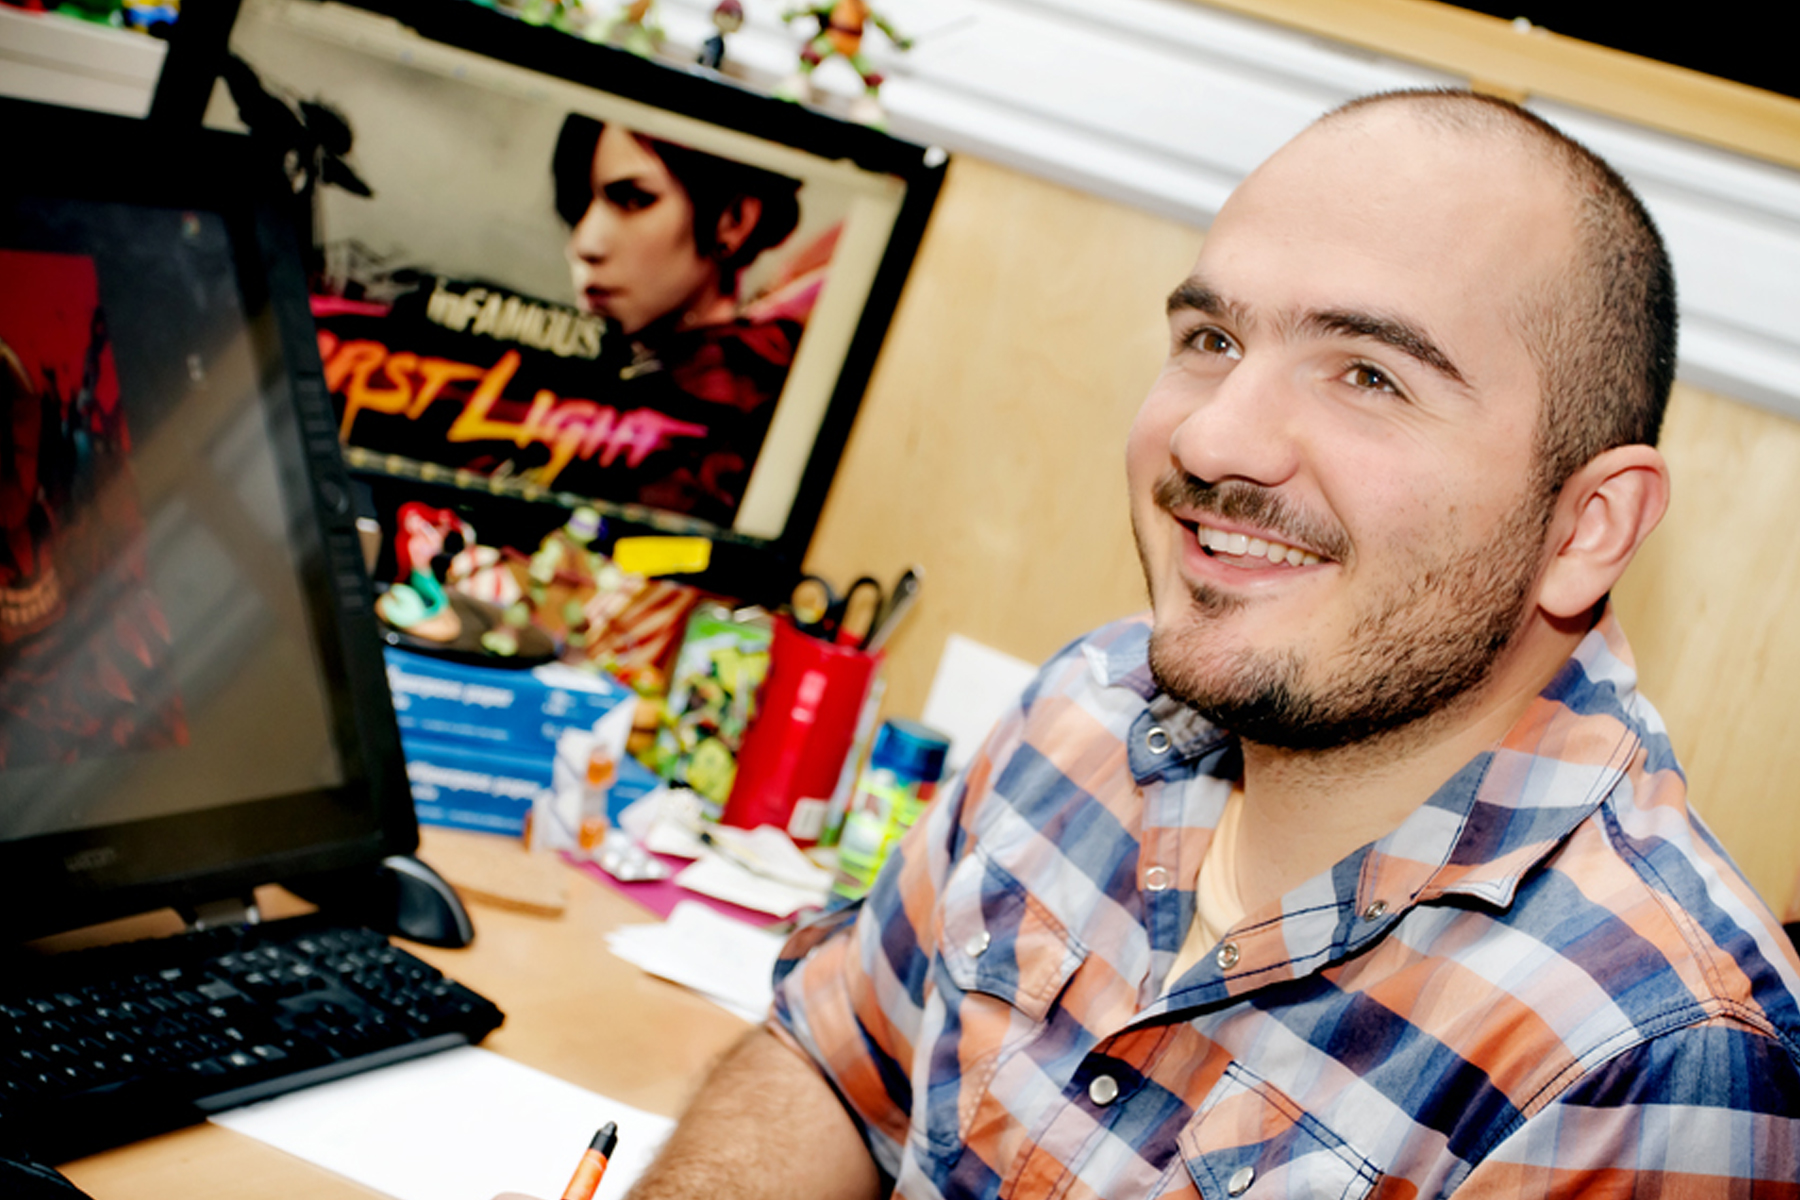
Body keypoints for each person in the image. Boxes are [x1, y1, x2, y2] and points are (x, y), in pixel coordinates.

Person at [502, 88, 1800, 1200]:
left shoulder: (1654, 1052)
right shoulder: (1088, 704)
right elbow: (840, 1067)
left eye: (1369, 375)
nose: (1214, 439)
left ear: (1588, 526)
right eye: (1212, 339)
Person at [550, 115, 808, 525]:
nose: (585, 243)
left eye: (634, 200)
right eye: (577, 203)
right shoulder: (579, 375)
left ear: (734, 219)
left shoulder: (754, 397)